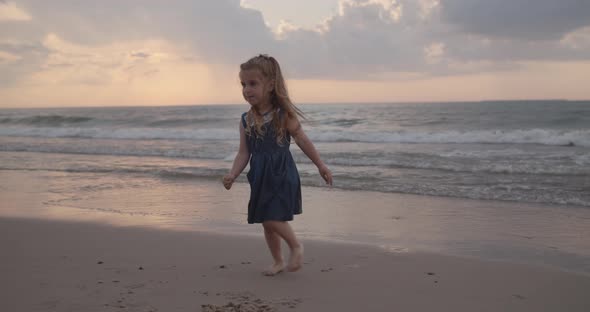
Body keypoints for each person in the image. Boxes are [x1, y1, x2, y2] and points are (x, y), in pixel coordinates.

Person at [223, 54, 333, 276]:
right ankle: (278, 261)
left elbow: (302, 140)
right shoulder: (246, 120)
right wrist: (233, 174)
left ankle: (296, 246)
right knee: (267, 222)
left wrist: (321, 165)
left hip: (281, 173)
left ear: (271, 85)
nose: (247, 89)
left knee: (271, 217)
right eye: (243, 84)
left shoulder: (283, 115)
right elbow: (244, 152)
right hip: (260, 176)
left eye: (253, 84)